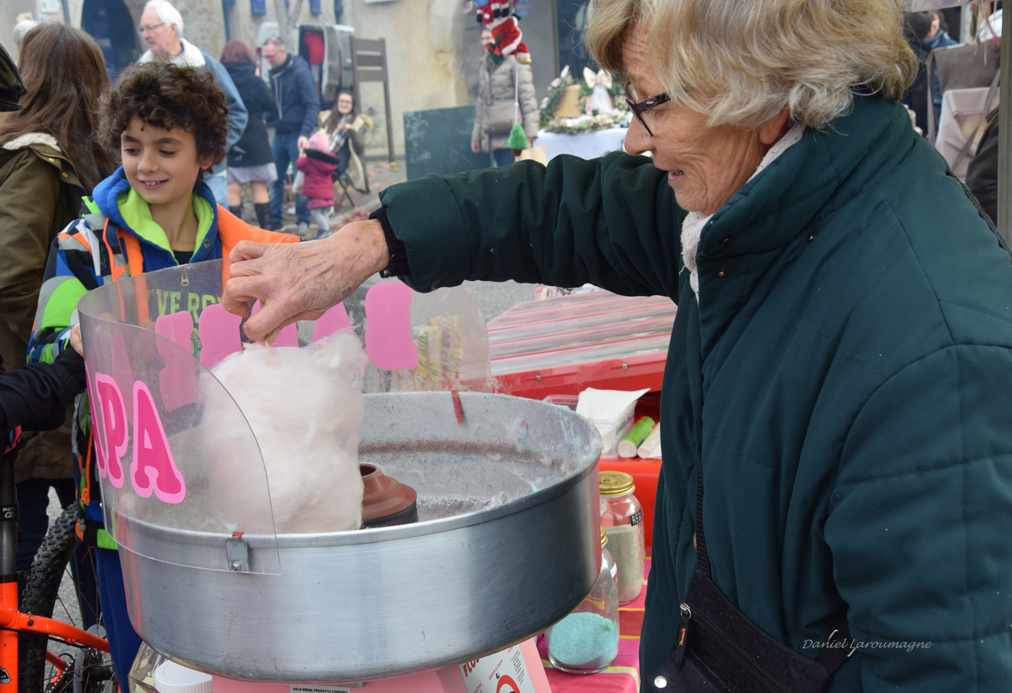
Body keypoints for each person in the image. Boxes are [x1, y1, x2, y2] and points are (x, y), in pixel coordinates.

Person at [223, 0, 1012, 689]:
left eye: (652, 104)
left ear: (762, 94)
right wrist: (367, 243)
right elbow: (562, 210)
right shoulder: (757, 201)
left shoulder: (938, 362)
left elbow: (940, 665)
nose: (633, 139)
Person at [27, 61, 299, 693]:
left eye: (166, 148)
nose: (145, 164)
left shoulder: (243, 247)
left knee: (238, 656)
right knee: (140, 659)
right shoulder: (86, 243)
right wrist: (69, 339)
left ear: (207, 155)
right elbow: (45, 344)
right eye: (131, 146)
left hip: (230, 488)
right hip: (128, 492)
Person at [0, 21, 111, 623]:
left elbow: (5, 275)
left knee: (61, 525)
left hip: (40, 379)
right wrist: (56, 348)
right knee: (42, 527)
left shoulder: (47, 156)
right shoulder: (48, 160)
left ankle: (78, 652)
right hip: (33, 376)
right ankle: (28, 656)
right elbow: (8, 276)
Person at [137, 0, 248, 210]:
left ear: (173, 28)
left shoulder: (205, 65)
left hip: (208, 173)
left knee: (215, 226)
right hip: (162, 176)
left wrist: (213, 150)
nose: (146, 35)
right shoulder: (140, 71)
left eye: (151, 27)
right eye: (142, 29)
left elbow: (237, 112)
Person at [262, 35, 322, 234]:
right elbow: (275, 104)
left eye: (270, 56)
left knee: (300, 180)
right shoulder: (274, 73)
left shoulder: (300, 72)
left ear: (282, 51)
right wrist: (264, 118)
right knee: (274, 178)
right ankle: (275, 222)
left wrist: (305, 133)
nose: (268, 60)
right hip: (280, 134)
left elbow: (313, 105)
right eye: (265, 57)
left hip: (298, 133)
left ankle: (303, 221)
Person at [220, 39, 278, 230]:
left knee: (232, 189)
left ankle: (234, 236)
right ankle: (267, 235)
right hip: (256, 138)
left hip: (230, 137)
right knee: (259, 188)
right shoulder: (254, 80)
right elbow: (271, 104)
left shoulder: (220, 79)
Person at [471, 27, 538, 168]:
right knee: (501, 174)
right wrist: (476, 136)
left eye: (488, 38)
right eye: (482, 39)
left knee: (514, 174)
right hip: (493, 132)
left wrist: (531, 131)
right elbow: (482, 102)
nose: (484, 42)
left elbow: (527, 97)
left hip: (513, 133)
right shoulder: (485, 64)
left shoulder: (515, 60)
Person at [320, 90, 372, 193]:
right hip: (322, 154)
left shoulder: (358, 122)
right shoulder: (326, 117)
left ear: (352, 105)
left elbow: (360, 147)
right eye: (341, 101)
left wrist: (352, 131)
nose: (344, 104)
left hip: (339, 161)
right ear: (337, 102)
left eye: (347, 102)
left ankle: (321, 195)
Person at [296, 129, 337, 237]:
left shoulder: (309, 160)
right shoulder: (329, 160)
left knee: (316, 213)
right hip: (327, 193)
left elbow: (300, 165)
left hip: (315, 193)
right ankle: (326, 231)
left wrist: (302, 156)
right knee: (323, 212)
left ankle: (326, 231)